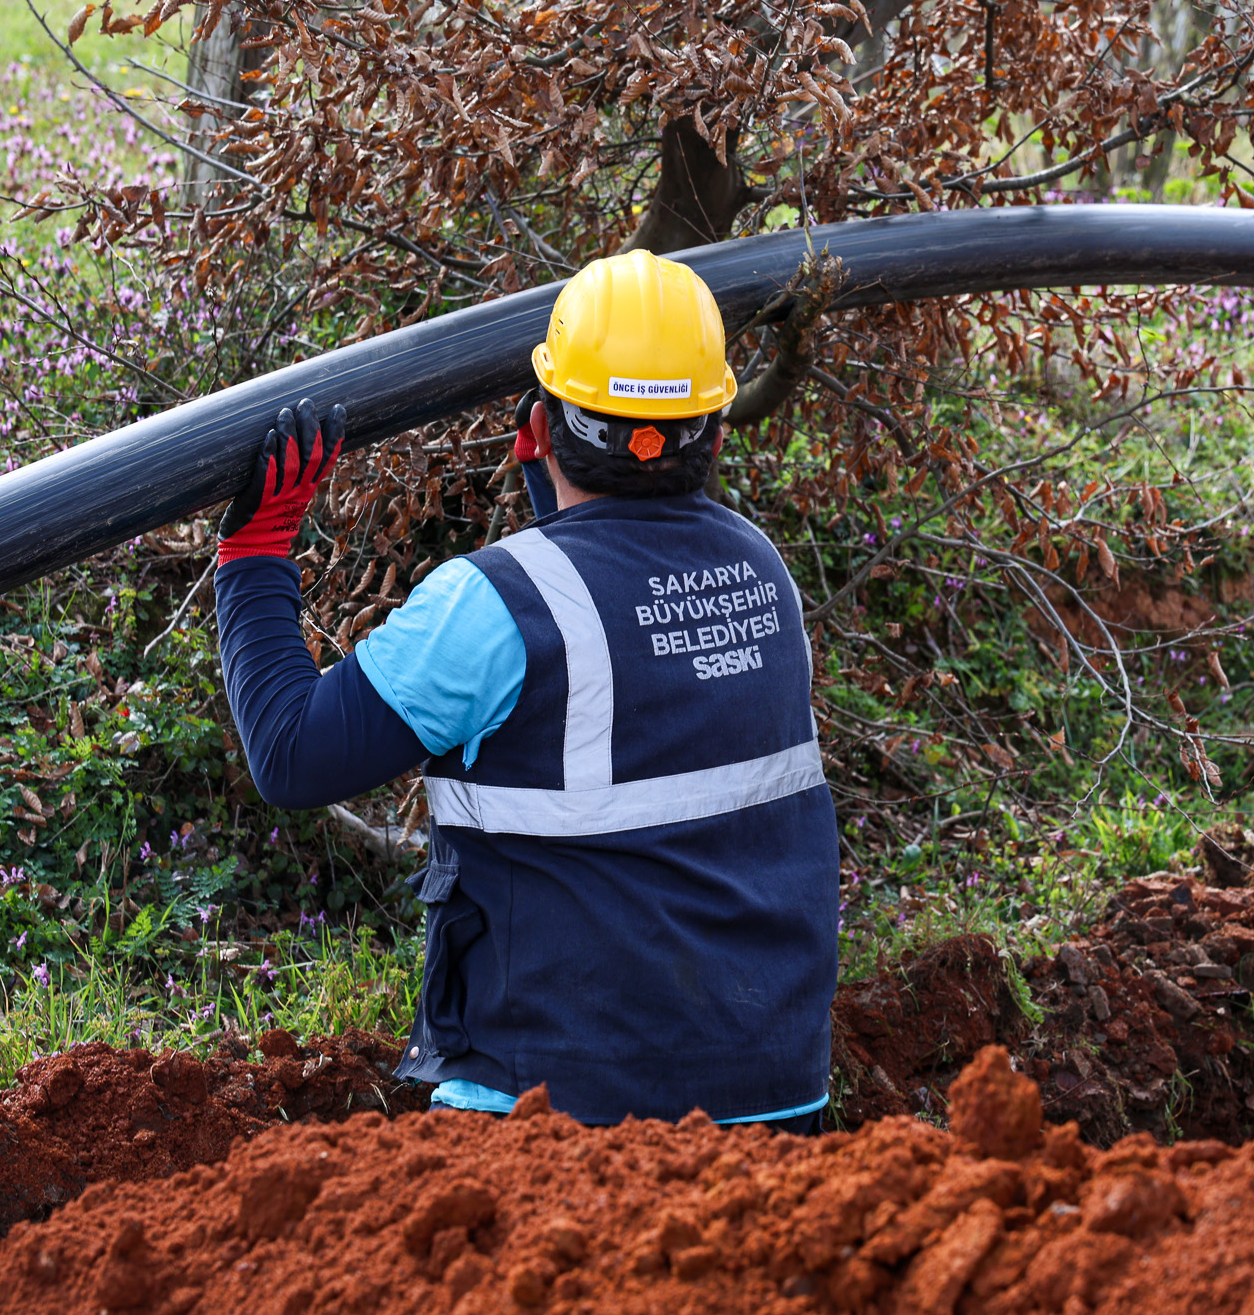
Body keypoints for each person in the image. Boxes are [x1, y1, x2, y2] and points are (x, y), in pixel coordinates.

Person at [212, 250, 838, 1131]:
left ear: (539, 424)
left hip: (562, 1119)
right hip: (774, 1097)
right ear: (720, 430)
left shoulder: (498, 604)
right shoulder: (763, 574)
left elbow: (289, 752)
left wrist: (253, 556)